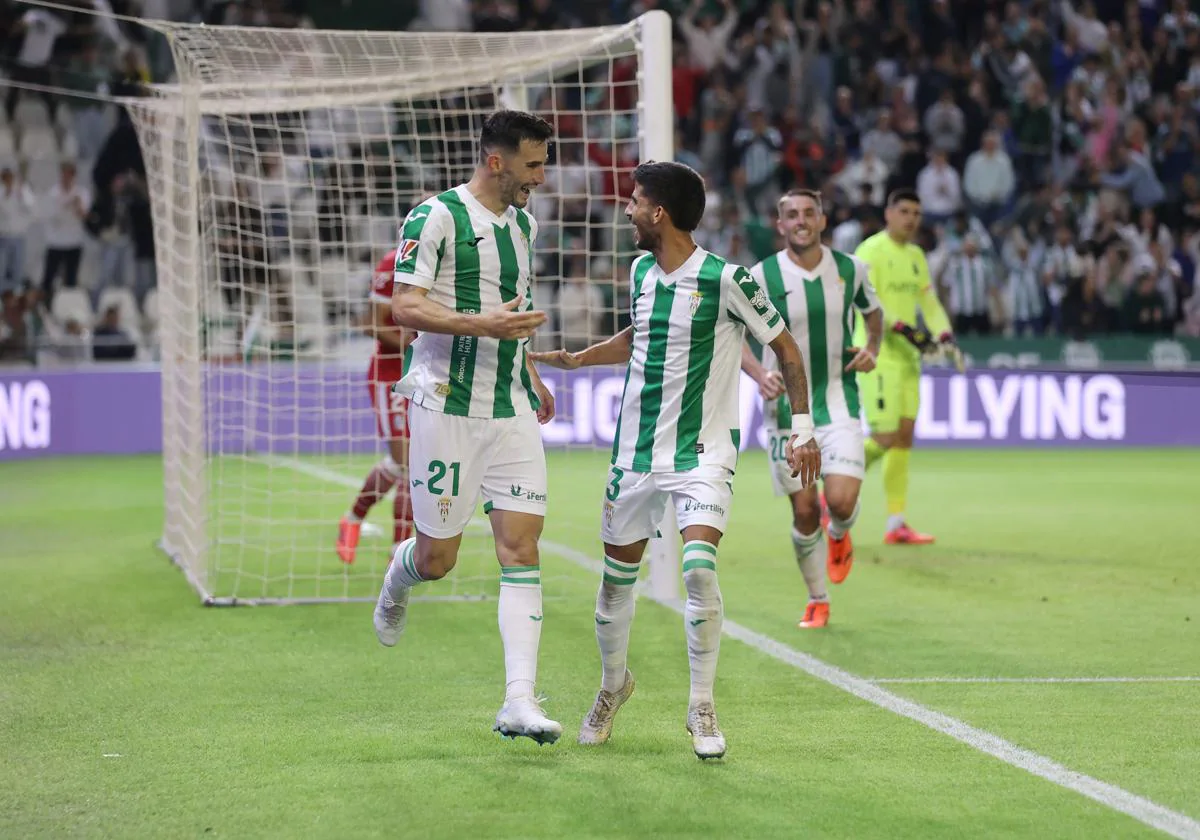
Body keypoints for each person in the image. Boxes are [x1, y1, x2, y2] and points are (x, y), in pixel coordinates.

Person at [532, 162, 821, 760]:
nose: (628, 211)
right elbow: (638, 335)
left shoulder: (725, 278)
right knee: (615, 586)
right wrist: (580, 360)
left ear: (659, 213)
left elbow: (785, 347)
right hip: (635, 454)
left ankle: (701, 704)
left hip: (702, 455)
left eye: (636, 202)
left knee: (697, 570)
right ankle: (613, 687)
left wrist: (803, 428)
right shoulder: (641, 271)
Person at [372, 110, 562, 745]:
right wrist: (483, 325)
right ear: (497, 161)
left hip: (509, 410)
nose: (541, 176)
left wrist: (530, 372)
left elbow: (513, 313)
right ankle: (398, 580)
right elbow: (405, 304)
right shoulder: (435, 217)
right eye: (532, 164)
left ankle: (520, 700)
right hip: (445, 405)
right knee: (438, 559)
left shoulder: (525, 224)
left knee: (521, 549)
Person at [740, 189, 883, 630]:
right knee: (804, 511)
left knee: (839, 502)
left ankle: (839, 534)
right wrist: (757, 373)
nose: (800, 221)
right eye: (790, 215)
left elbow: (873, 313)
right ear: (779, 225)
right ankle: (817, 598)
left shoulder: (851, 269)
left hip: (840, 398)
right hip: (785, 408)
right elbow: (733, 334)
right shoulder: (759, 275)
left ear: (822, 220)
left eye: (808, 213)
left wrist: (872, 347)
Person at [853, 189, 961, 545]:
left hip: (909, 360)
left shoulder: (916, 255)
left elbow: (929, 302)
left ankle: (896, 522)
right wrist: (905, 329)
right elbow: (867, 303)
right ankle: (834, 489)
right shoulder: (870, 251)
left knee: (902, 438)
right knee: (883, 437)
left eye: (916, 212)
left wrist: (944, 335)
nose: (911, 218)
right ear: (888, 214)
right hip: (877, 356)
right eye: (904, 211)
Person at [336, 248, 416, 565]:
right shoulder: (393, 262)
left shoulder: (450, 259)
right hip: (391, 374)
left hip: (428, 377)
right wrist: (414, 343)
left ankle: (362, 524)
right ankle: (393, 543)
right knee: (407, 462)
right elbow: (370, 323)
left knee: (411, 463)